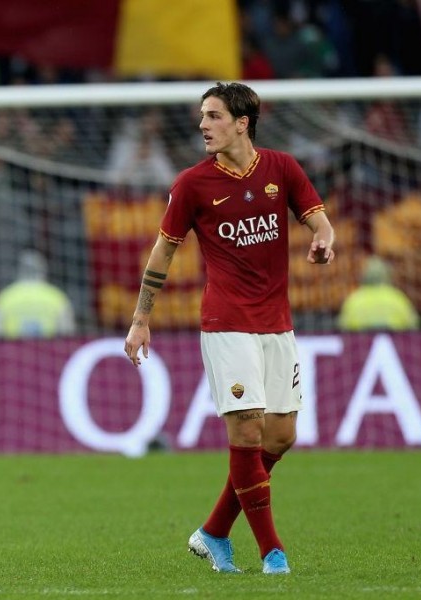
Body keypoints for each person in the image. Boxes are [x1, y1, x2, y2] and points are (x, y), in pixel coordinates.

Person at [124, 82, 335, 575]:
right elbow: (164, 250)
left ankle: (214, 531)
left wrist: (324, 239)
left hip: (276, 323)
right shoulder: (193, 183)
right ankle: (272, 554)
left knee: (280, 438)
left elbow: (320, 221)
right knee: (247, 429)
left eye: (214, 116)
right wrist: (141, 319)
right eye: (202, 116)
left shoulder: (281, 167)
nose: (203, 125)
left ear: (243, 122)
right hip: (225, 323)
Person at [0, 249, 76, 339]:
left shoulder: (6, 296)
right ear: (43, 270)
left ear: (19, 270)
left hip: (13, 352)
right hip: (48, 352)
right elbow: (67, 331)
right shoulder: (56, 296)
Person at [338, 255, 421, 332]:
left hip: (361, 345)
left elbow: (343, 327)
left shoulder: (354, 300)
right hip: (396, 345)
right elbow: (414, 325)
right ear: (387, 274)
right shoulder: (397, 298)